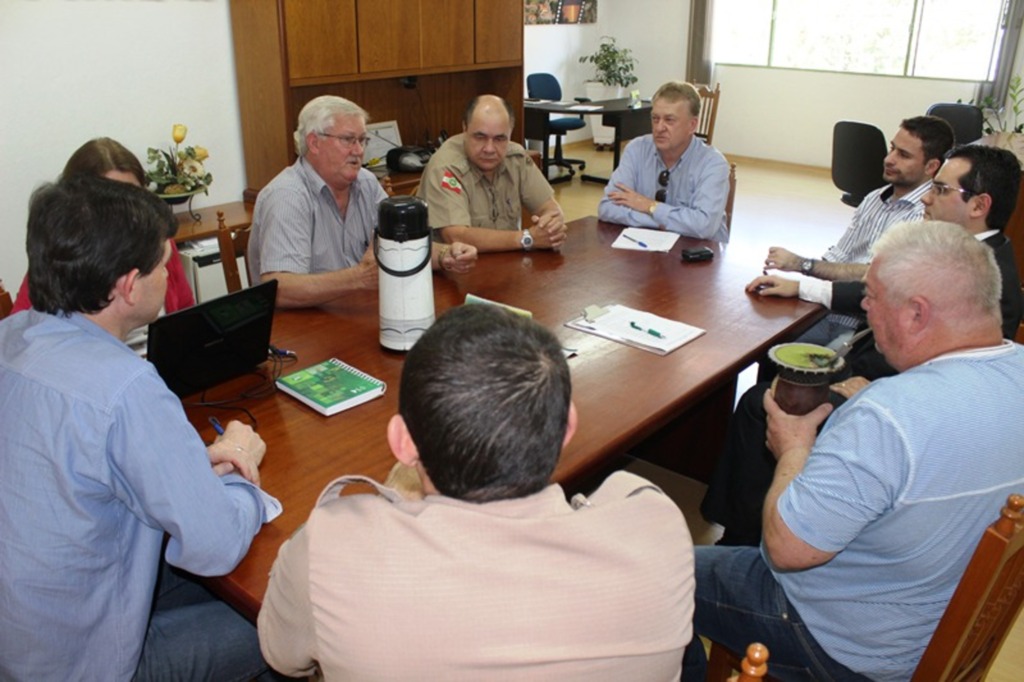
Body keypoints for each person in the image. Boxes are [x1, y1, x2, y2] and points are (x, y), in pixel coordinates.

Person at [258, 304, 695, 680]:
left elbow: (282, 655)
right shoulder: (660, 528)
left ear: (402, 443)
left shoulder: (329, 553)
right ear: (567, 428)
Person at [683, 220, 1024, 682]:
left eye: (872, 296)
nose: (863, 306)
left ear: (917, 313)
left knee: (654, 574)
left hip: (845, 646)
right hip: (932, 623)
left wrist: (793, 448)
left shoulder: (888, 415)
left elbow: (785, 550)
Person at [0, 175, 276, 680]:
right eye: (163, 264)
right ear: (129, 285)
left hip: (22, 636)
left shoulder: (10, 335)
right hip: (87, 664)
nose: (168, 272)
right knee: (291, 617)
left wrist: (192, 464)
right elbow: (215, 545)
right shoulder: (126, 387)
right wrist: (240, 465)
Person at [702, 144, 1023, 547]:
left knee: (760, 403)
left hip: (892, 396)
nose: (926, 197)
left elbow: (961, 376)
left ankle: (745, 542)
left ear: (980, 205)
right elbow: (885, 292)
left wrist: (876, 386)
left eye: (940, 190)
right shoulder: (968, 253)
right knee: (779, 364)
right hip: (880, 373)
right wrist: (802, 284)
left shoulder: (991, 282)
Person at [249, 95, 478, 308]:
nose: (359, 151)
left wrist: (446, 255)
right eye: (348, 140)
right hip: (303, 330)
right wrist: (358, 278)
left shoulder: (366, 182)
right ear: (314, 143)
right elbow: (280, 288)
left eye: (362, 140)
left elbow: (402, 246)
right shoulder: (287, 196)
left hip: (356, 312)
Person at [756, 115, 954, 345]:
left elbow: (874, 277)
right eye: (892, 149)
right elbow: (839, 256)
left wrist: (802, 266)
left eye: (904, 155)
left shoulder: (927, 216)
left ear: (931, 167)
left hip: (865, 330)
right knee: (765, 335)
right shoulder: (873, 198)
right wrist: (798, 282)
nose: (889, 159)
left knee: (779, 351)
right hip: (830, 308)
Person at [10, 137, 195, 315]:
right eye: (111, 204)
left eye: (135, 199)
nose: (126, 214)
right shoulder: (61, 264)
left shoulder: (160, 246)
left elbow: (185, 311)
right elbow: (20, 334)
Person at [416, 94, 568, 252]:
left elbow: (551, 209)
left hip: (506, 264)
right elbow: (455, 236)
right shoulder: (446, 169)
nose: (489, 149)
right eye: (480, 137)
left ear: (510, 134)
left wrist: (550, 226)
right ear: (464, 128)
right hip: (455, 269)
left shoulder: (516, 158)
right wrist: (526, 238)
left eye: (500, 139)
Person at [597, 81, 731, 242]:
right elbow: (606, 208)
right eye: (655, 119)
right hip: (645, 252)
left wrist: (650, 206)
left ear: (692, 125)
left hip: (699, 257)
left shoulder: (713, 164)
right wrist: (663, 221)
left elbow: (704, 226)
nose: (659, 127)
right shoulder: (636, 149)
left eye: (669, 120)